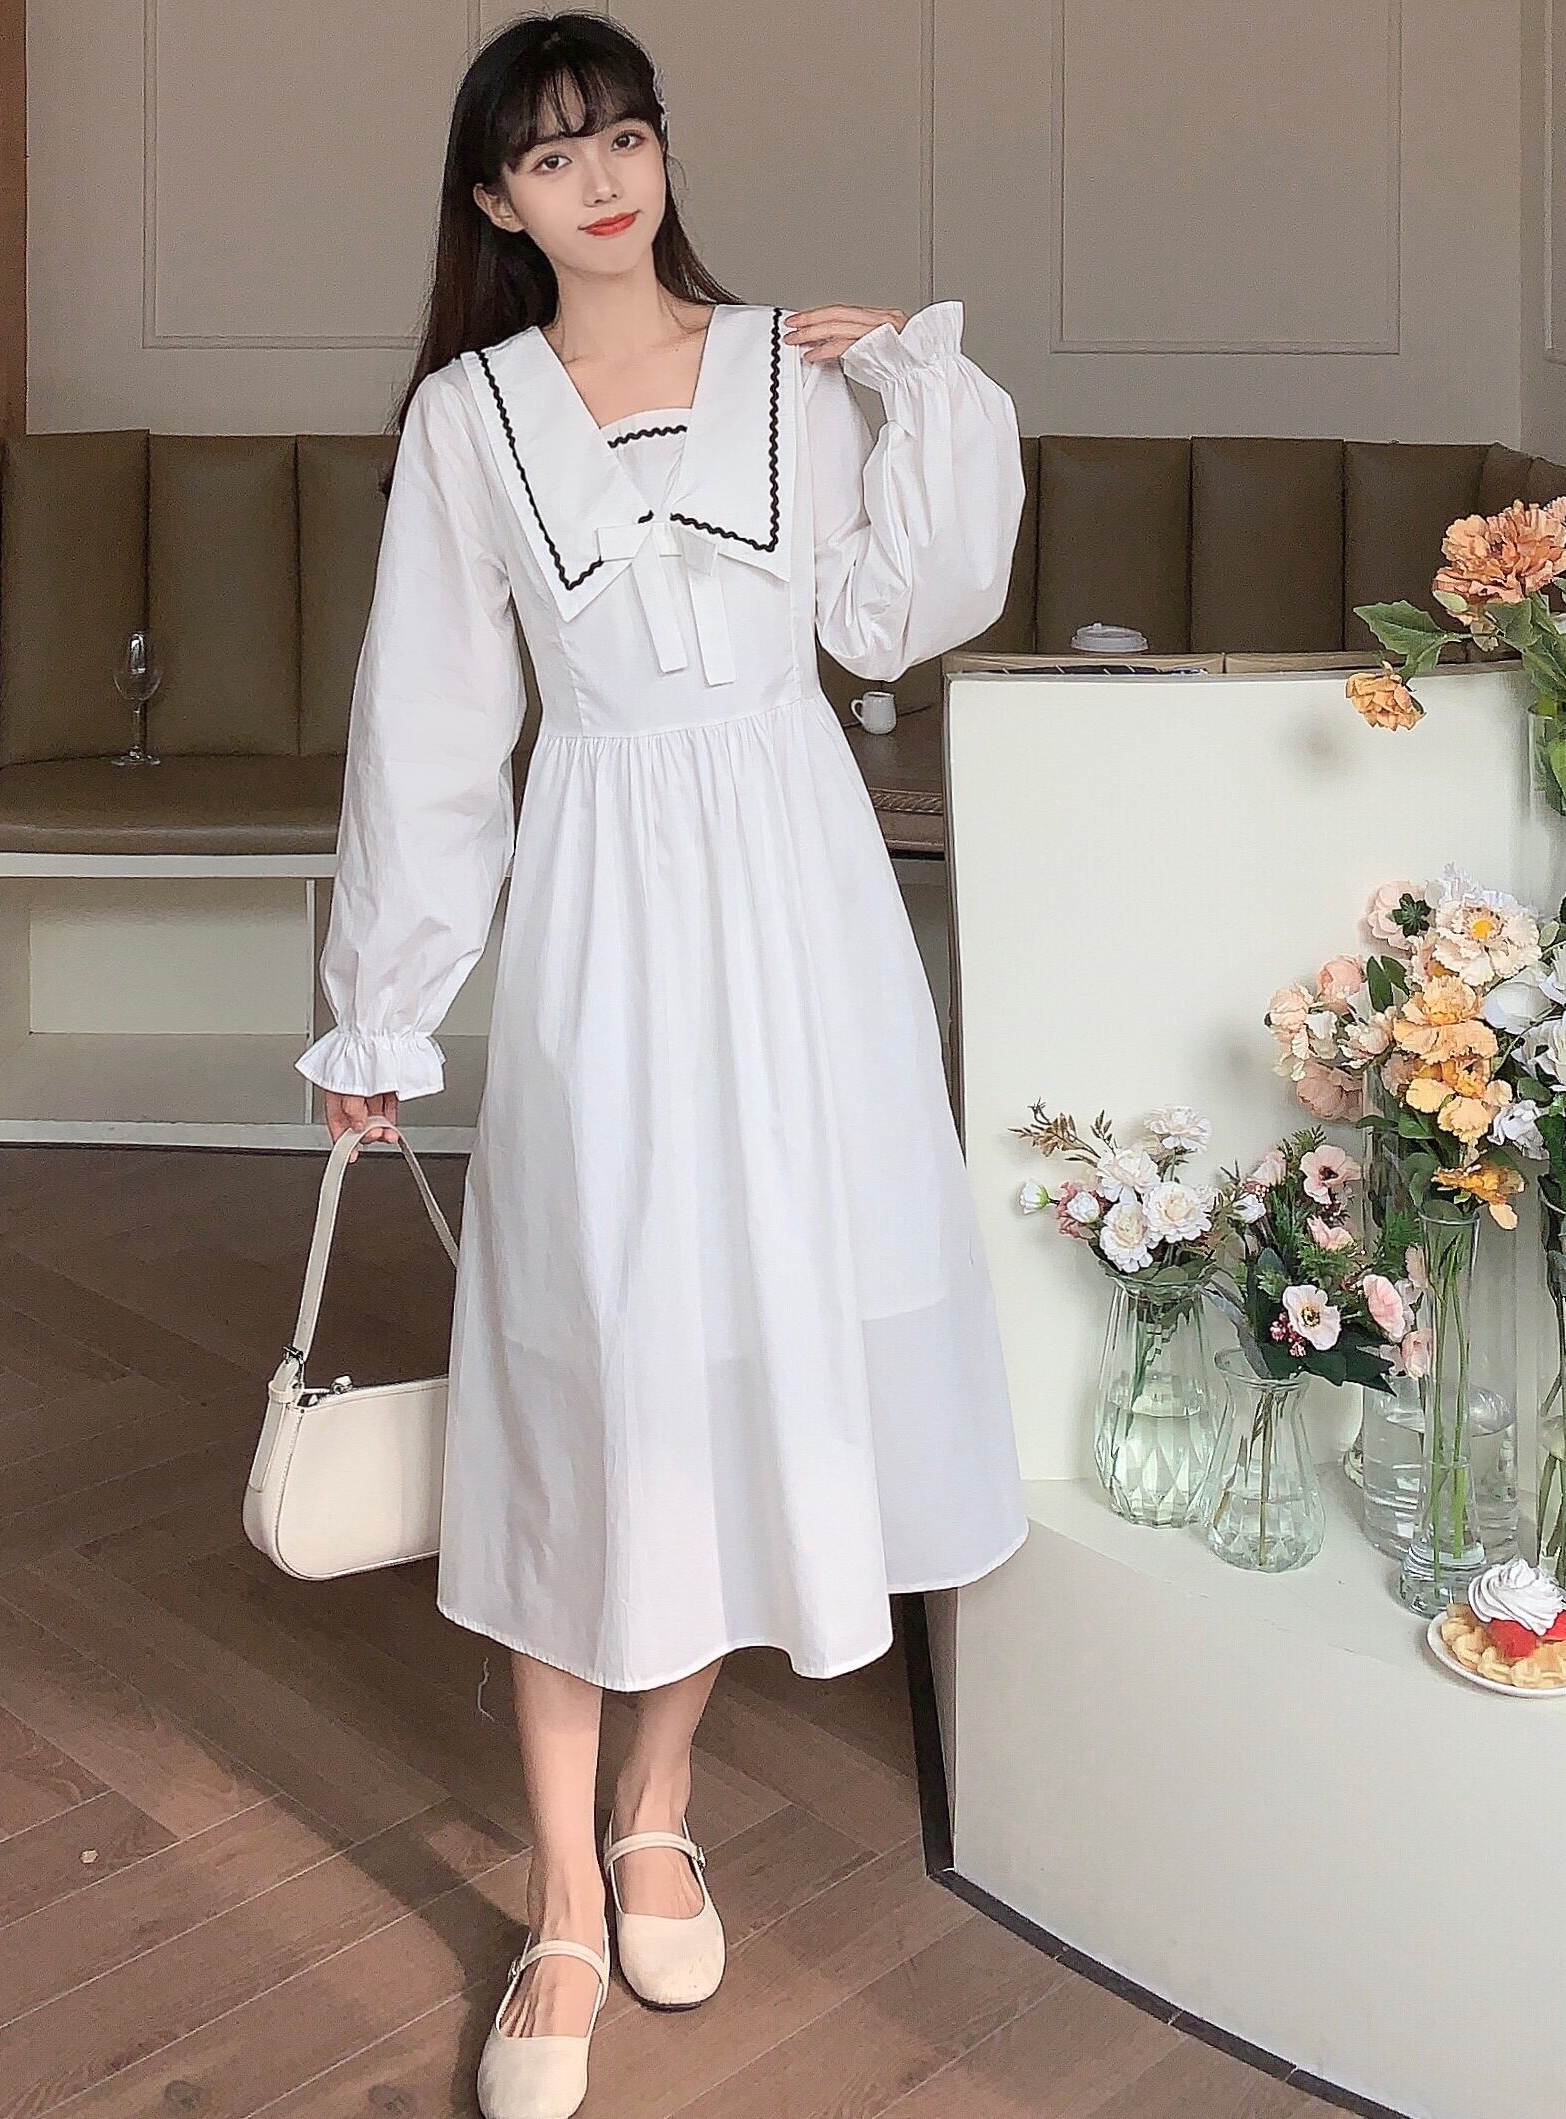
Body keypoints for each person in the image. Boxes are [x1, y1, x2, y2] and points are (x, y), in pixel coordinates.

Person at [292, 16, 1029, 2116]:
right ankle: (553, 1904)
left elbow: (892, 619)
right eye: (551, 156)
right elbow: (430, 730)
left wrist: (920, 391)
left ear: (660, 152)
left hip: (801, 909)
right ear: (495, 201)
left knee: (730, 1349)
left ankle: (658, 1807)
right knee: (587, 1362)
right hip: (602, 908)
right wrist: (382, 1008)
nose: (601, 179)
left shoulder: (794, 375)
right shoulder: (471, 421)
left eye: (622, 136)